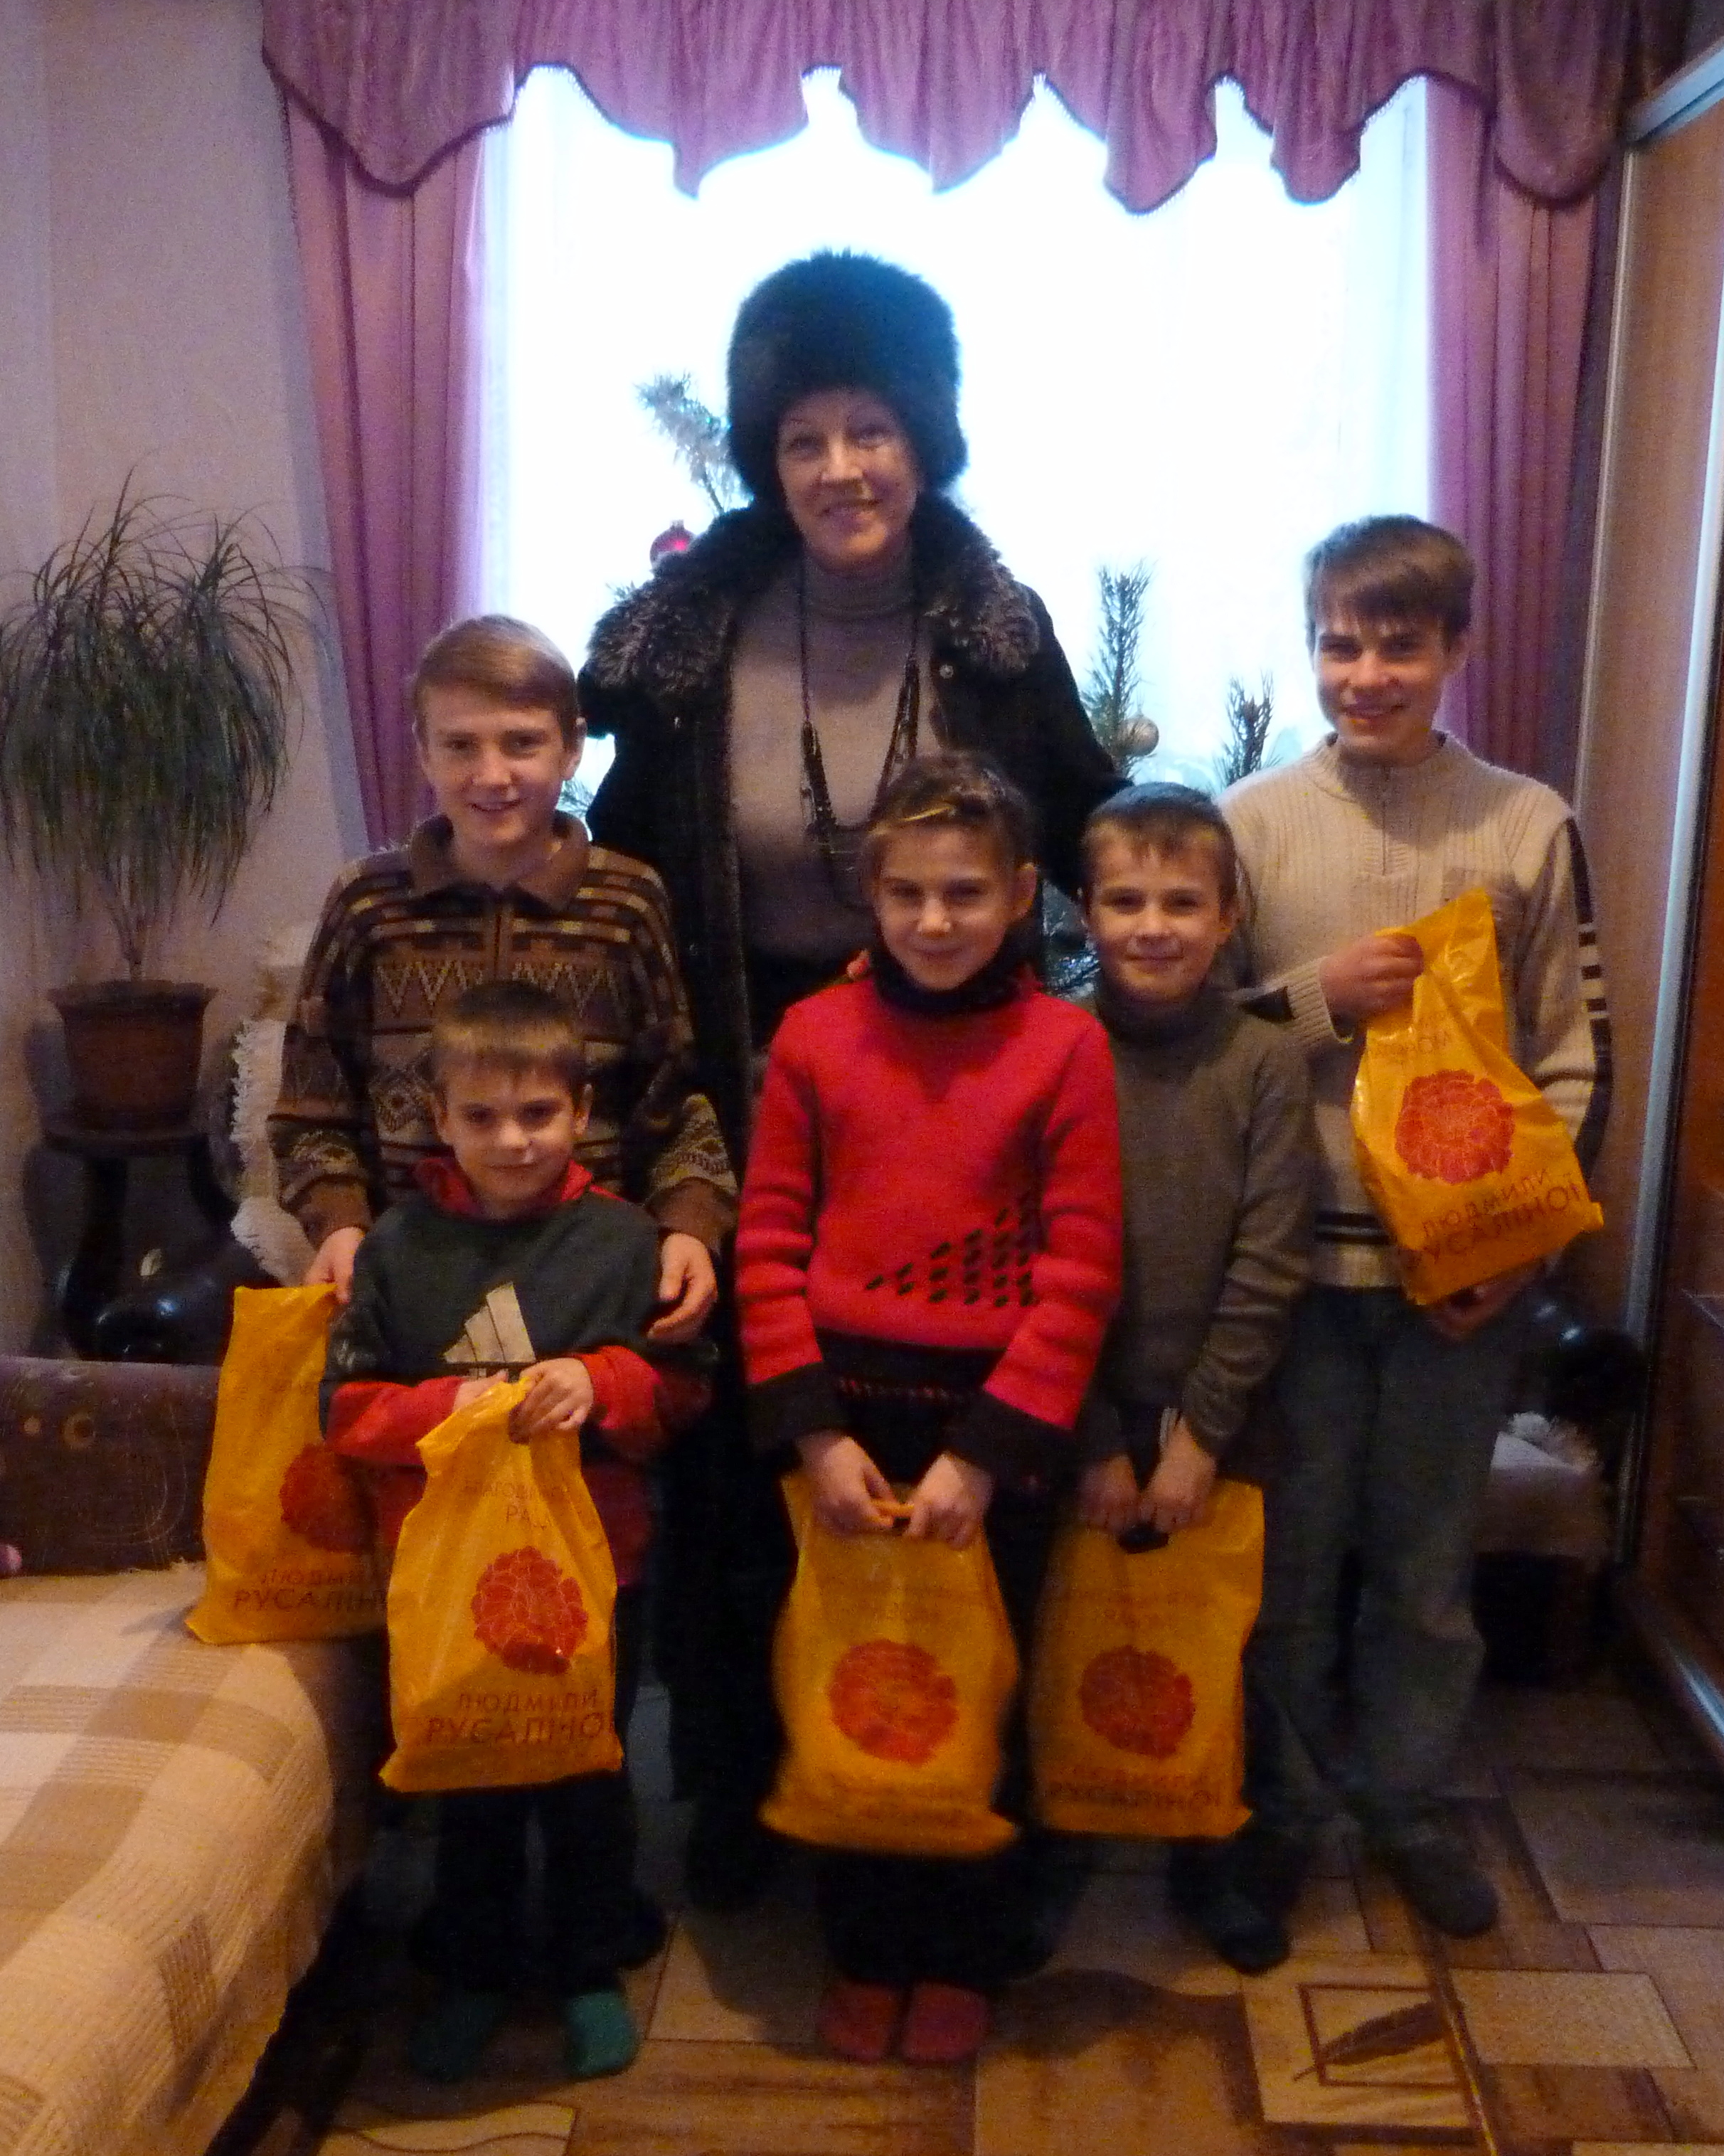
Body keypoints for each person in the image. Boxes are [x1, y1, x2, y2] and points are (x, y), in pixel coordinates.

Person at [578, 251, 1122, 1903]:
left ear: (922, 437)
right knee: (747, 1455)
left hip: (949, 1082)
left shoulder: (996, 640)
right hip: (736, 1079)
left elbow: (1095, 832)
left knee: (941, 1449)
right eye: (803, 437)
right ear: (766, 455)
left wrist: (1210, 996)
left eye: (869, 429)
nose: (840, 469)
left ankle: (952, 1794)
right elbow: (616, 859)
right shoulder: (689, 645)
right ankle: (743, 1780)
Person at [1222, 516, 1612, 1938]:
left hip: (1461, 1277)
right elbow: (1190, 1041)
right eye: (1340, 643)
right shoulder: (1252, 822)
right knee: (1289, 1561)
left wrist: (1520, 1250)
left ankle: (1404, 1800)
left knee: (1426, 1567)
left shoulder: (1524, 823)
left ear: (1456, 648)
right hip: (1295, 1269)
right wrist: (1312, 996)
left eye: (1399, 644)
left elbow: (1573, 1055)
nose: (1366, 674)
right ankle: (1280, 1806)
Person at [737, 752, 1122, 2064]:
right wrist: (813, 1433)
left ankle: (959, 1950)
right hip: (842, 1422)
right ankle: (863, 1945)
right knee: (847, 1686)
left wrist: (986, 1454)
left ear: (1020, 894)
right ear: (871, 892)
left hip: (989, 1432)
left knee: (976, 1690)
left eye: (965, 892)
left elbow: (1082, 1267)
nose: (936, 919)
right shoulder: (813, 1036)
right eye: (908, 893)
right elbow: (767, 1243)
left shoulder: (1066, 1048)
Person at [321, 980, 712, 2082]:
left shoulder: (624, 1241)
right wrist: (460, 1405)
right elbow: (344, 1412)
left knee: (590, 1776)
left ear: (580, 1108)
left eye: (538, 1113)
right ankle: (474, 1967)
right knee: (473, 1783)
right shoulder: (398, 1246)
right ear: (437, 1118)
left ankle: (589, 1964)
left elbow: (685, 1391)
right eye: (483, 1117)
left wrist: (603, 1381)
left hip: (598, 1560)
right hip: (448, 1570)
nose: (512, 1140)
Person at [270, 613, 736, 1337]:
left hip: (590, 1287)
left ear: (572, 748)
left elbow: (673, 1105)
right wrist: (337, 1221)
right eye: (461, 745)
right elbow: (311, 1107)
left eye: (521, 742)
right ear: (423, 752)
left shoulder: (628, 902)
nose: (491, 776)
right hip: (413, 1285)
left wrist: (689, 1223)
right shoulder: (367, 906)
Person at [1073, 784, 1316, 1973]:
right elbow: (1032, 1251)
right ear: (1085, 910)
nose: (1153, 926)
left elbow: (1270, 1259)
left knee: (1224, 1650)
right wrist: (1091, 1437)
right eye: (1125, 900)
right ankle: (1060, 1849)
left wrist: (1199, 1435)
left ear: (1229, 916)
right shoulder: (1054, 1045)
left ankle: (1214, 1862)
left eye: (1182, 902)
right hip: (1075, 1408)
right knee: (1071, 1633)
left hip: (1223, 1417)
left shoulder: (1264, 1061)